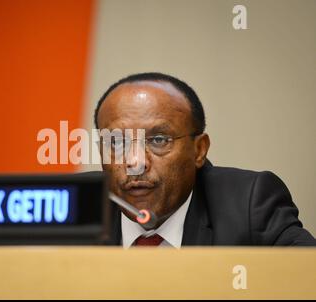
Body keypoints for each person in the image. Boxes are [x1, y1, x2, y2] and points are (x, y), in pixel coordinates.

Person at [93, 72, 316, 247]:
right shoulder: (75, 205)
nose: (135, 162)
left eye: (158, 140)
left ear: (199, 150)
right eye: (116, 143)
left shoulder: (249, 204)